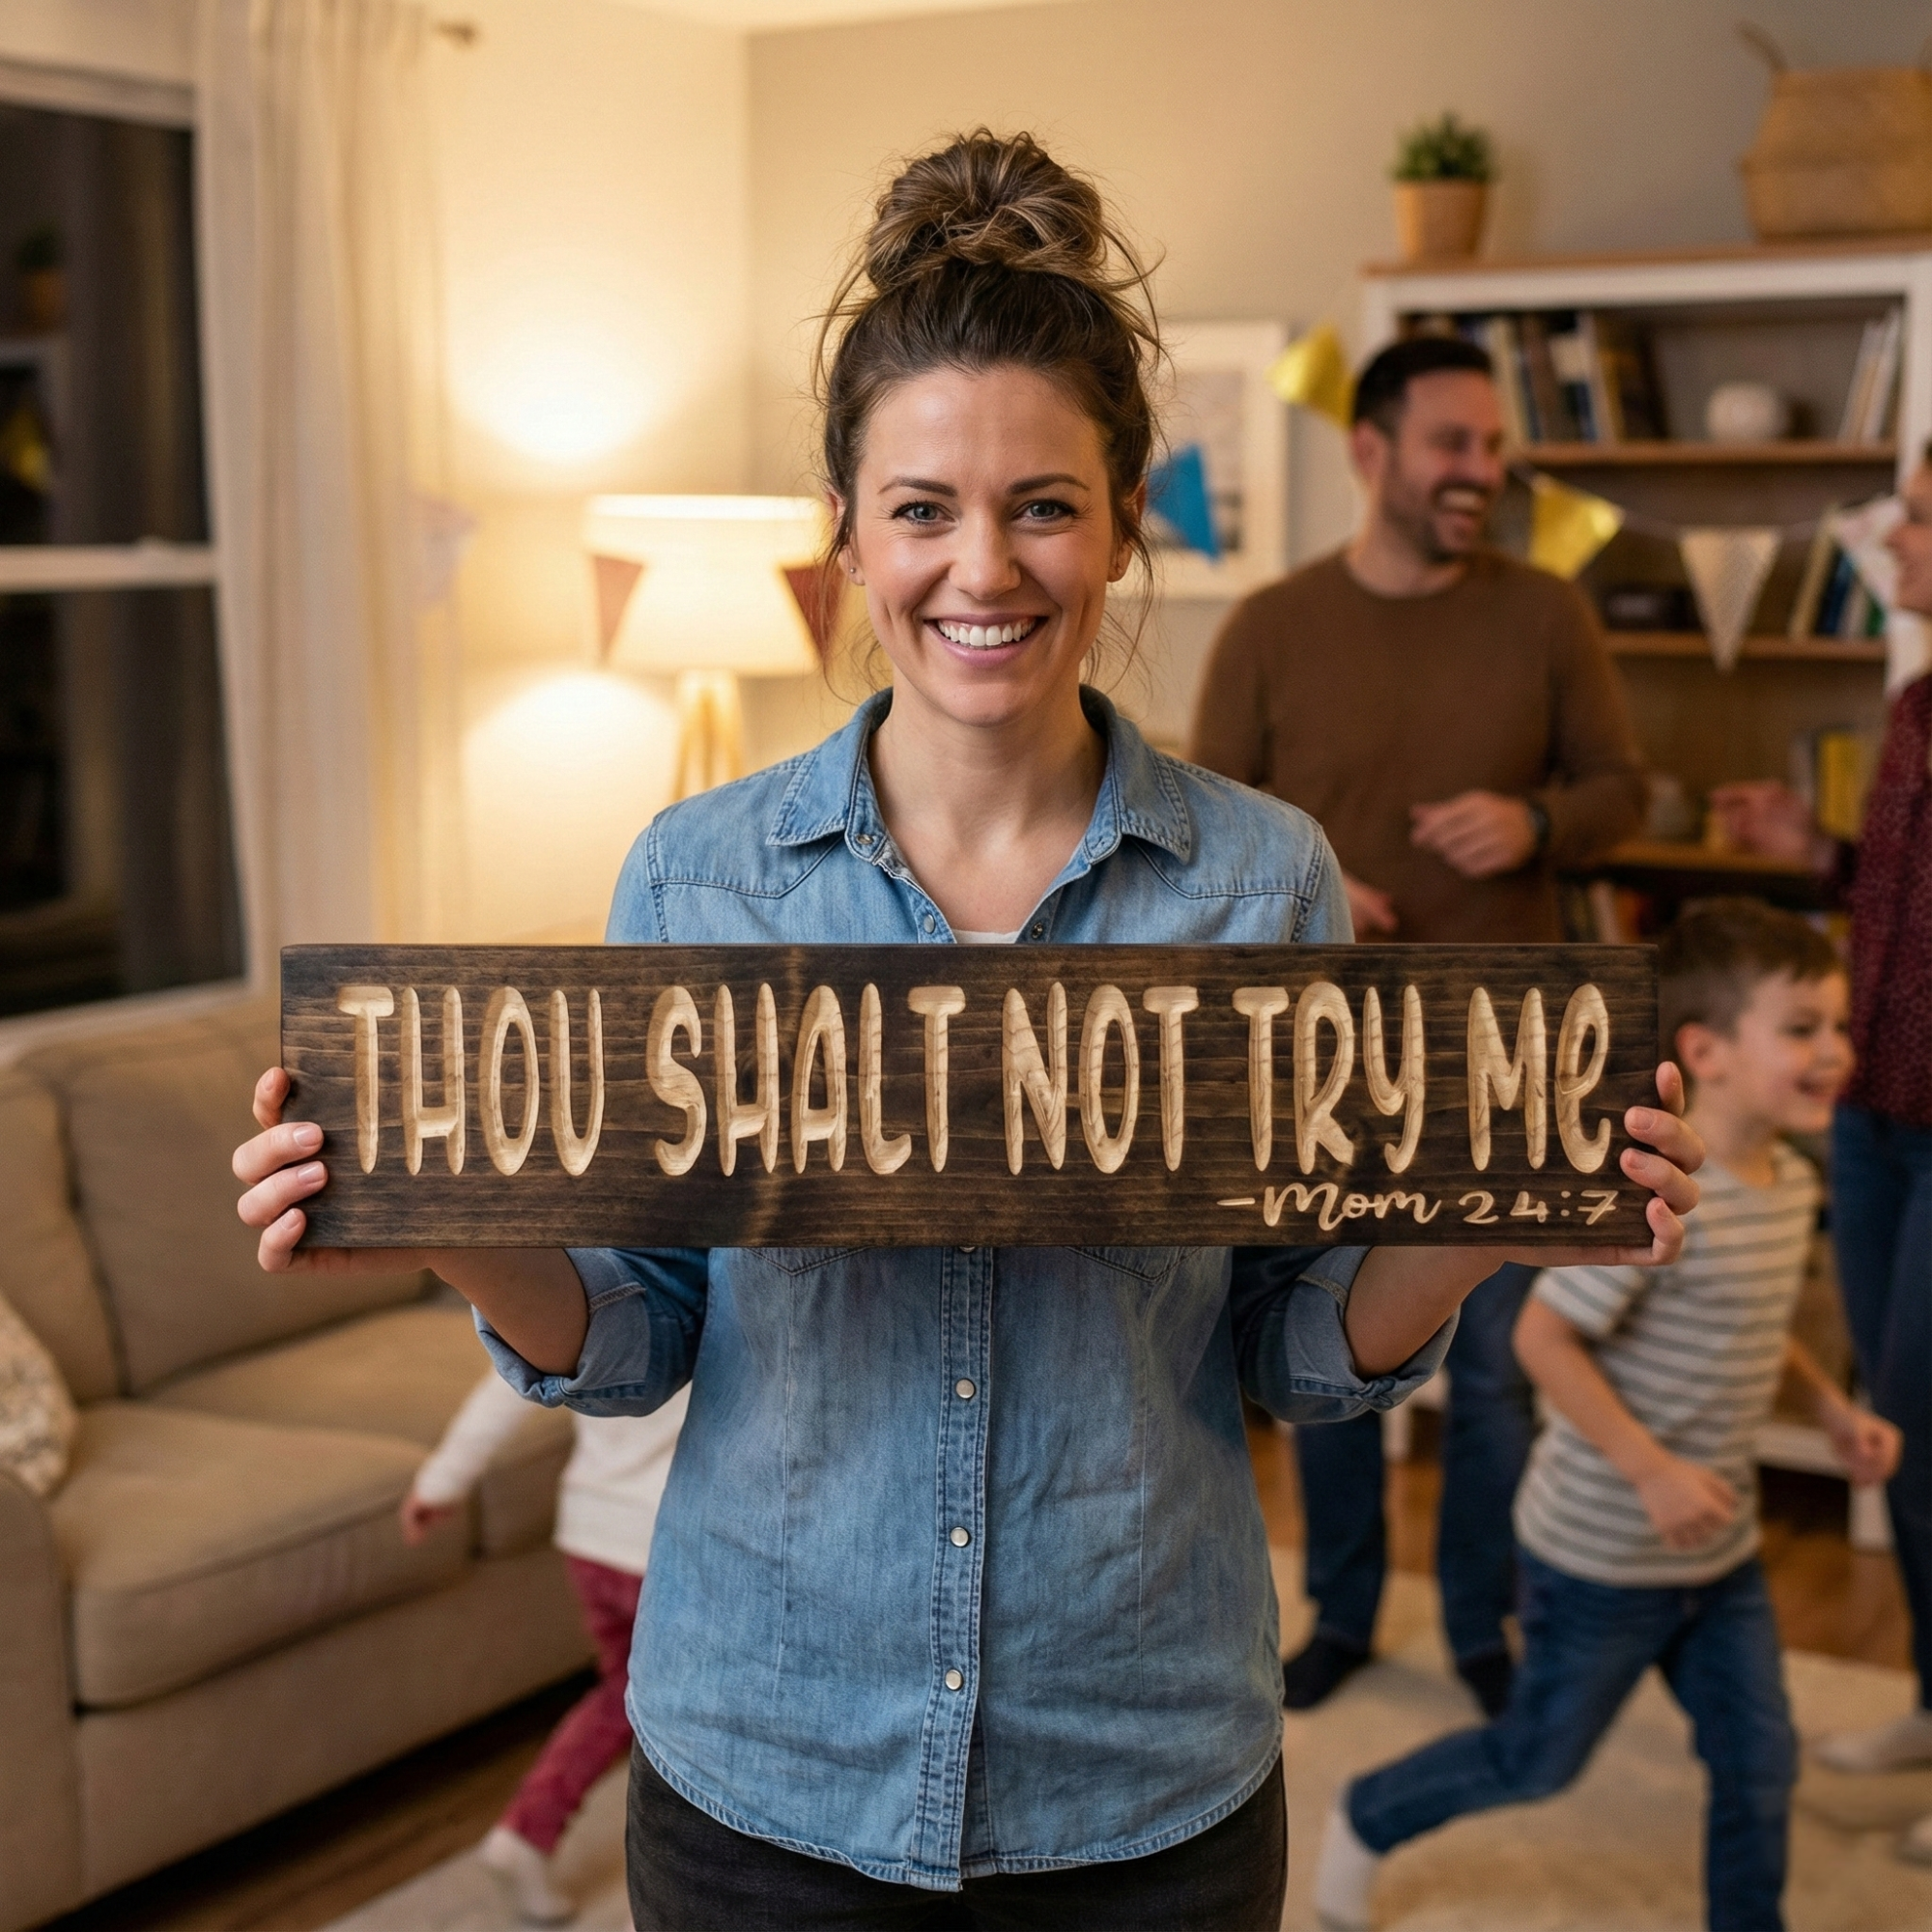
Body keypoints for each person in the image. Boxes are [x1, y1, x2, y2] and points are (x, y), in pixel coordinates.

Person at [233, 132, 1700, 1932]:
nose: (979, 567)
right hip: (765, 1765)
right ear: (843, 536)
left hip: (1143, 1776)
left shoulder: (1262, 882)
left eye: (1043, 504)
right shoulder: (698, 877)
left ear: (1123, 517)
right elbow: (628, 1344)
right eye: (919, 507)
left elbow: (1294, 1352)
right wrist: (433, 1216)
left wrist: (1490, 1221)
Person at [1189, 333, 1647, 1717]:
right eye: (1453, 445)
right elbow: (1207, 834)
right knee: (1330, 1357)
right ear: (1372, 451)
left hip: (1513, 1058)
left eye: (1492, 448)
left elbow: (1625, 791)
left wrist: (1539, 821)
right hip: (1332, 1060)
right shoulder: (1271, 625)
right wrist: (1319, 886)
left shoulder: (1548, 613)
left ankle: (1476, 1625)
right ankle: (1338, 1612)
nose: (1482, 472)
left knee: (1497, 1371)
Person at [1314, 899, 1901, 1932]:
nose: (1833, 1051)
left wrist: (1826, 1405)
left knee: (1757, 1762)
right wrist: (1650, 1469)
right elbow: (1544, 1337)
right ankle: (1367, 1811)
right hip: (1600, 1556)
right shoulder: (1654, 1202)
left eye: (1837, 1026)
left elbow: (1757, 1319)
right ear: (1702, 1051)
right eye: (1801, 1027)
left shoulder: (1790, 1182)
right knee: (1533, 1759)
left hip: (1717, 1555)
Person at [1708, 455, 1932, 1859]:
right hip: (1877, 1120)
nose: (1888, 536)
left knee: (1923, 1434)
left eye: (1913, 514)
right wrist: (1822, 851)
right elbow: (1894, 899)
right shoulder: (1912, 707)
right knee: (1901, 1444)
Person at [403, 1372, 688, 1923]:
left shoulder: (586, 1287)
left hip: (592, 1532)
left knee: (621, 1697)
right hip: (674, 1538)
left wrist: (442, 1481)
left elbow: (506, 1385)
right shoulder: (723, 1291)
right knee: (696, 1728)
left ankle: (527, 1832)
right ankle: (667, 1902)